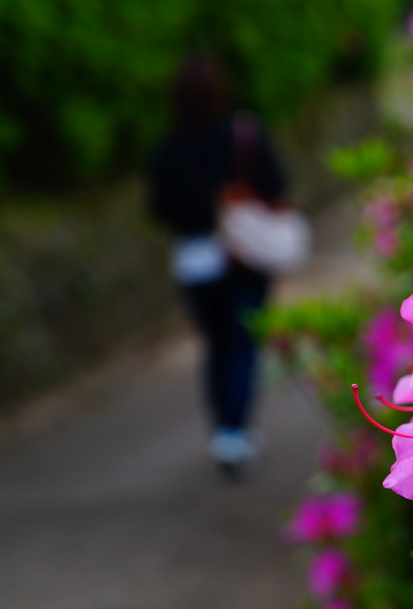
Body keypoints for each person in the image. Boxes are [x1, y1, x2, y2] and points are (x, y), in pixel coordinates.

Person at [149, 54, 286, 476]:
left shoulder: (168, 147)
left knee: (216, 347)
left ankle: (225, 432)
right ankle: (237, 431)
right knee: (243, 343)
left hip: (195, 262)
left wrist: (197, 217)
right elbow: (277, 183)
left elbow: (159, 208)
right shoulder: (242, 134)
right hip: (244, 255)